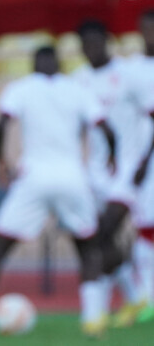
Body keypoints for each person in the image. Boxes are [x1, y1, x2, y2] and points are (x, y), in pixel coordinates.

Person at [0, 46, 115, 338]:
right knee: (87, 248)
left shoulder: (22, 88)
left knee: (0, 248)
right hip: (73, 177)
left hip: (33, 178)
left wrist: (1, 161)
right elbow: (105, 127)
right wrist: (112, 158)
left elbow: (1, 125)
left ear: (34, 64)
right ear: (59, 64)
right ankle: (93, 320)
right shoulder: (77, 89)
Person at [73, 19, 154, 327]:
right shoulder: (78, 79)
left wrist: (145, 161)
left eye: (96, 42)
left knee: (103, 232)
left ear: (107, 41)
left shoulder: (128, 75)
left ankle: (95, 315)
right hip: (95, 172)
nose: (91, 49)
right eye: (85, 45)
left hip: (128, 169)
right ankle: (136, 297)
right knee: (102, 239)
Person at [122, 9, 154, 323]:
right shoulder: (131, 69)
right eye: (146, 28)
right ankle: (146, 299)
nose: (150, 35)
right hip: (141, 161)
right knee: (145, 227)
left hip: (147, 160)